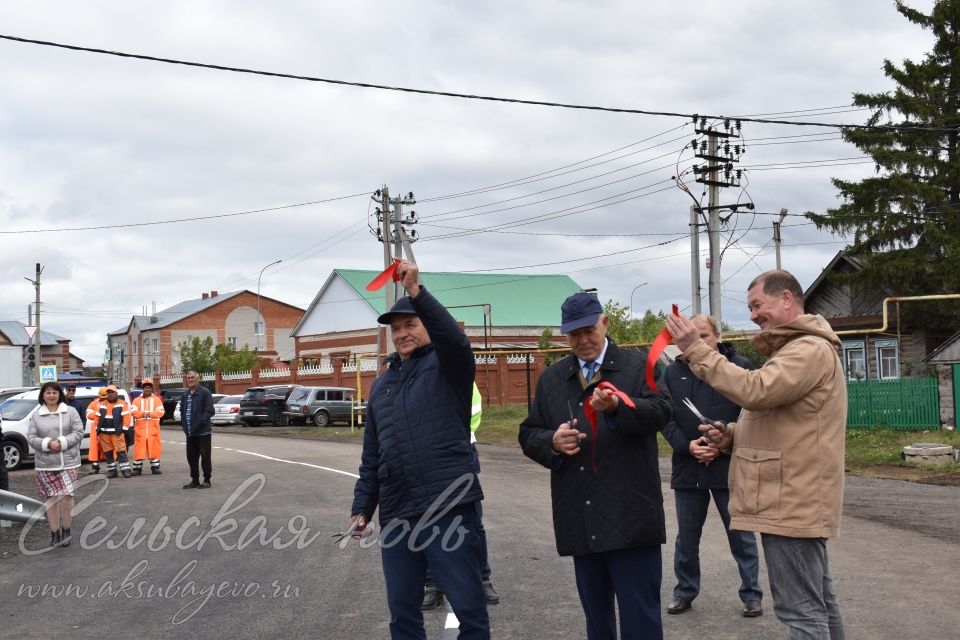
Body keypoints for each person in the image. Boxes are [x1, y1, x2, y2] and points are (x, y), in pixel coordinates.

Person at [665, 269, 846, 639]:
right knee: (819, 604)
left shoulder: (807, 350)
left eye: (757, 305)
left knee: (803, 612)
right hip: (793, 495)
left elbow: (755, 391)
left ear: (786, 299)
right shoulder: (797, 349)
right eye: (749, 307)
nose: (752, 315)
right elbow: (778, 418)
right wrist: (731, 435)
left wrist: (695, 349)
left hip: (792, 498)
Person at [518, 291, 673, 640]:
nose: (583, 341)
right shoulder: (553, 379)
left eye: (589, 330)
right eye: (574, 334)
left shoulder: (638, 367)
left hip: (631, 516)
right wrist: (552, 442)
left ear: (605, 322)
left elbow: (663, 411)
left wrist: (619, 407)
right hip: (581, 516)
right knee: (597, 621)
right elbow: (529, 433)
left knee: (641, 620)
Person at [349, 259, 489, 639]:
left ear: (426, 324)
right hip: (397, 512)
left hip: (447, 507)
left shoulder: (450, 366)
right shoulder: (382, 385)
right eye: (396, 329)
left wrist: (417, 293)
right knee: (402, 613)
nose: (402, 334)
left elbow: (455, 340)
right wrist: (363, 506)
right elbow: (372, 455)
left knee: (469, 608)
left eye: (410, 324)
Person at [660, 314, 763, 618]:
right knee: (687, 538)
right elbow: (665, 416)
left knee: (741, 535)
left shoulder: (740, 367)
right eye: (692, 335)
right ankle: (684, 592)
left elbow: (752, 414)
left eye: (703, 335)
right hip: (688, 466)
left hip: (729, 466)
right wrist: (686, 446)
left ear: (718, 336)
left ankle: (752, 594)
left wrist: (724, 443)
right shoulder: (673, 372)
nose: (698, 340)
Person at [423, 383, 499, 611]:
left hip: (460, 449)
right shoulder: (414, 372)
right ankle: (433, 585)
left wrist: (454, 435)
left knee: (472, 521)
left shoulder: (455, 367)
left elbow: (474, 407)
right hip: (427, 456)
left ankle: (482, 580)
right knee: (429, 523)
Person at [25, 381, 84, 547]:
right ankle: (54, 533)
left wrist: (62, 442)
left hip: (69, 462)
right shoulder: (36, 415)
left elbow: (78, 432)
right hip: (46, 463)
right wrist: (48, 444)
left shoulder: (70, 411)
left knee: (67, 497)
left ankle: (66, 531)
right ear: (43, 396)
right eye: (48, 392)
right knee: (51, 499)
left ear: (60, 395)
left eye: (54, 392)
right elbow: (31, 437)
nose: (51, 395)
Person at [181, 371, 215, 489]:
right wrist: (185, 426)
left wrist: (200, 422)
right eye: (188, 378)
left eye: (192, 377)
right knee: (191, 457)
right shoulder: (185, 395)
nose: (190, 379)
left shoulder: (205, 392)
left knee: (205, 456)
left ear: (197, 379)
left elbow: (210, 410)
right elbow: (182, 412)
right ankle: (194, 480)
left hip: (203, 432)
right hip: (190, 432)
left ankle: (207, 480)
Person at [91, 385, 133, 479]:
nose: (110, 394)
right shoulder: (102, 404)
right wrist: (97, 429)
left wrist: (124, 430)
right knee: (108, 453)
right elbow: (97, 417)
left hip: (117, 433)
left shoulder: (122, 403)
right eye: (108, 392)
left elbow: (127, 418)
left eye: (112, 392)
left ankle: (126, 470)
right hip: (104, 433)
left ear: (116, 393)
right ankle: (112, 471)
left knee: (121, 452)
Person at [131, 378, 165, 475]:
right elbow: (133, 412)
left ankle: (155, 467)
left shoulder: (157, 400)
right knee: (138, 449)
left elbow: (161, 412)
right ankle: (137, 469)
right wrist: (142, 414)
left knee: (154, 448)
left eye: (149, 387)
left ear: (151, 388)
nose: (147, 389)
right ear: (143, 388)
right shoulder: (136, 400)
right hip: (140, 430)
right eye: (145, 387)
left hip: (153, 430)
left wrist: (149, 414)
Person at [84, 387, 109, 474]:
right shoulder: (94, 403)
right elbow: (88, 414)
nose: (103, 399)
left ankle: (111, 468)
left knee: (108, 449)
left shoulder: (110, 403)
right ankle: (95, 466)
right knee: (95, 449)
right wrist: (98, 415)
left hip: (108, 429)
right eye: (102, 397)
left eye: (105, 397)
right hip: (96, 429)